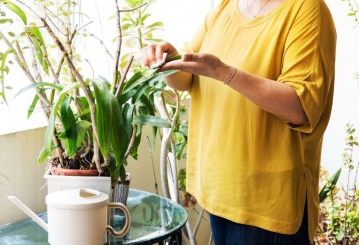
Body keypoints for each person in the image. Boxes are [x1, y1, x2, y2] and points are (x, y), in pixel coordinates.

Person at [142, 0, 336, 243]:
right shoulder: (224, 8)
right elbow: (187, 78)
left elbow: (299, 107)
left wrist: (224, 72)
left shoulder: (307, 9)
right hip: (221, 189)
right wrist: (167, 62)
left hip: (265, 202)